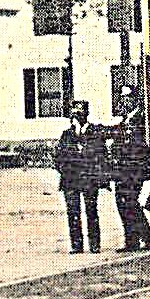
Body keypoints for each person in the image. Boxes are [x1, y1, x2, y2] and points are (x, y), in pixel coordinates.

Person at [52, 99, 104, 253]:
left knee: (91, 211)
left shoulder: (95, 133)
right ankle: (76, 244)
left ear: (86, 114)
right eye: (74, 114)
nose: (76, 117)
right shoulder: (67, 134)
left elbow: (100, 156)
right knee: (73, 212)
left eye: (80, 113)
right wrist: (63, 170)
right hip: (70, 179)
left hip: (89, 178)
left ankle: (94, 244)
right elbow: (58, 156)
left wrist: (98, 176)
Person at [110, 85, 150, 251]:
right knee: (123, 203)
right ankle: (141, 237)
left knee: (129, 202)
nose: (124, 101)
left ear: (135, 99)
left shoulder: (142, 120)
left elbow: (142, 146)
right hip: (122, 170)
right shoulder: (123, 120)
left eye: (128, 97)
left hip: (134, 170)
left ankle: (140, 239)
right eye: (122, 97)